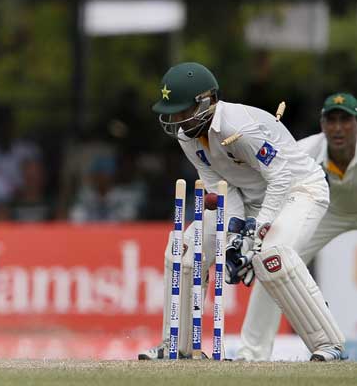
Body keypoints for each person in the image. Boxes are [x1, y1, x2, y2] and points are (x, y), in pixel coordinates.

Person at [138, 62, 345, 361]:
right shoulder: (188, 138)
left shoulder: (238, 126)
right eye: (174, 113)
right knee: (182, 249)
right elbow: (223, 189)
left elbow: (280, 176)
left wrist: (256, 233)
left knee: (271, 255)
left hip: (298, 190)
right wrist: (236, 236)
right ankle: (178, 348)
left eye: (184, 111)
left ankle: (329, 345)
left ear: (206, 101)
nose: (178, 121)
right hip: (249, 197)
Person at [235, 92, 357, 360]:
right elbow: (274, 183)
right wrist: (264, 223)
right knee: (273, 262)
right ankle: (251, 354)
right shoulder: (303, 151)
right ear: (322, 124)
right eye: (332, 120)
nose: (338, 128)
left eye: (346, 120)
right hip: (328, 211)